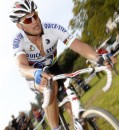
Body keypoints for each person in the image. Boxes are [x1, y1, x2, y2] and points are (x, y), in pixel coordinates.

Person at [9, 0, 111, 130]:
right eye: (28, 20)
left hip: (54, 68)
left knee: (76, 111)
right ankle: (56, 128)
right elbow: (21, 66)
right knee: (50, 84)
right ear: (20, 26)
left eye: (35, 16)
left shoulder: (52, 28)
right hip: (34, 74)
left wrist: (99, 58)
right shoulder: (18, 40)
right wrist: (34, 73)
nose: (34, 21)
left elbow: (78, 46)